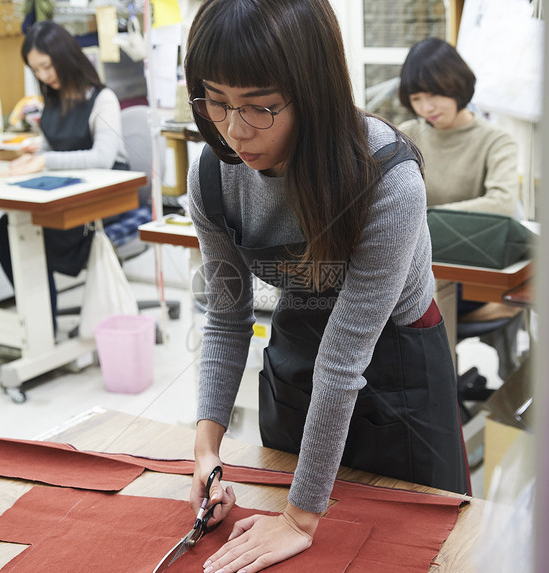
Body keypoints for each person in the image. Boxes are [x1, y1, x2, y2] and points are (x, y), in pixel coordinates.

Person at [183, 1, 468, 572]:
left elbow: (342, 361)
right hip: (297, 357)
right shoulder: (213, 175)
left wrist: (299, 518)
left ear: (312, 92)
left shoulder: (385, 177)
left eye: (260, 107)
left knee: (412, 550)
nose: (235, 130)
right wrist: (206, 453)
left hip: (398, 365)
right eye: (217, 101)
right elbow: (227, 317)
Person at [0, 20, 130, 324]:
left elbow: (102, 158)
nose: (43, 76)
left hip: (103, 202)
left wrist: (45, 161)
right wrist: (29, 161)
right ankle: (41, 323)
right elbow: (49, 150)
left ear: (66, 57)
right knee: (1, 234)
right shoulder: (51, 101)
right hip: (64, 195)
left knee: (32, 236)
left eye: (47, 66)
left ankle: (42, 325)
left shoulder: (102, 99)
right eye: (35, 70)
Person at [397, 36, 524, 373]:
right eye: (417, 97)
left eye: (435, 93)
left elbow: (502, 204)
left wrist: (423, 218)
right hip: (417, 272)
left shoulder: (496, 141)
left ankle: (436, 395)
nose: (427, 107)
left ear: (458, 86)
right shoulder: (406, 136)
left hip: (469, 274)